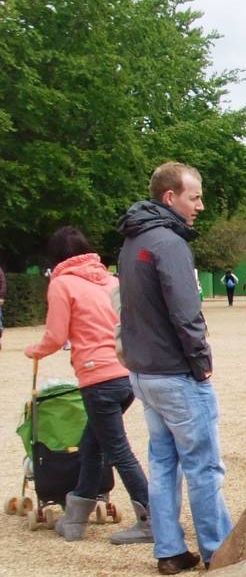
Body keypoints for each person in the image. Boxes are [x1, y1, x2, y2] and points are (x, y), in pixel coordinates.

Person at [117, 161, 232, 574]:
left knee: (163, 462)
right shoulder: (168, 243)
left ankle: (168, 549)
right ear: (171, 197)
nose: (200, 204)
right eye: (194, 196)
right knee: (203, 464)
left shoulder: (132, 242)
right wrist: (201, 365)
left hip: (144, 373)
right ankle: (218, 550)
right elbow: (186, 313)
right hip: (175, 373)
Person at [23, 228, 153, 544]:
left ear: (55, 258)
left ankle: (151, 517)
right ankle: (76, 516)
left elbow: (55, 336)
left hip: (97, 378)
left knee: (117, 450)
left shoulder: (62, 284)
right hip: (125, 373)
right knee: (92, 445)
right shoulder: (111, 281)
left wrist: (34, 350)